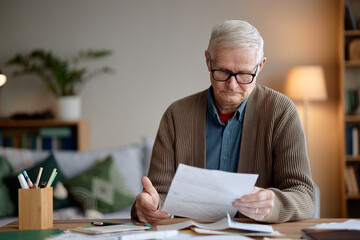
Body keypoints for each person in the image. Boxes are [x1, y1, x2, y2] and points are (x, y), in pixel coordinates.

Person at [131, 20, 315, 224]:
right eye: (223, 72)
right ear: (208, 60)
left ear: (260, 66)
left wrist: (275, 203)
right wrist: (149, 205)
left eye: (245, 74)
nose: (232, 85)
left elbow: (304, 196)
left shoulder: (281, 112)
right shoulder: (176, 115)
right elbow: (159, 195)